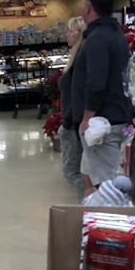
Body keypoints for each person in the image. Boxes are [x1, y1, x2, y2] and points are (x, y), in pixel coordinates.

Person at [72, 0, 132, 190]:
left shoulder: (97, 39)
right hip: (114, 115)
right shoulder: (115, 34)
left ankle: (109, 210)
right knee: (91, 176)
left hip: (101, 124)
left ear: (88, 7)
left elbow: (96, 83)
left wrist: (87, 117)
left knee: (109, 186)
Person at [57, 16, 85, 201]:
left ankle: (88, 202)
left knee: (73, 170)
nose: (66, 34)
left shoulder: (79, 59)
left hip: (73, 122)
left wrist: (67, 122)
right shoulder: (75, 56)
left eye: (70, 31)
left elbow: (78, 94)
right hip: (72, 120)